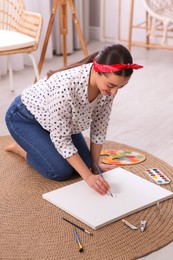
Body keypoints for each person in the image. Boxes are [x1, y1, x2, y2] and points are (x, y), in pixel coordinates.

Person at [5, 44, 143, 196]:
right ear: (98, 70)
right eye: (111, 85)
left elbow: (99, 127)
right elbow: (61, 139)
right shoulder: (64, 86)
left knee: (84, 163)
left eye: (120, 87)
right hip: (25, 118)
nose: (114, 92)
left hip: (61, 124)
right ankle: (23, 149)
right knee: (60, 171)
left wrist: (95, 166)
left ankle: (41, 146)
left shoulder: (108, 90)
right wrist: (89, 176)